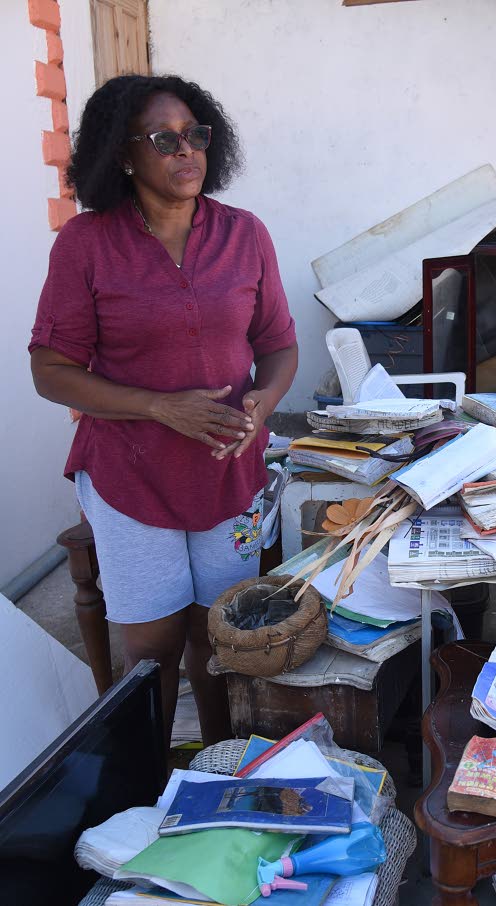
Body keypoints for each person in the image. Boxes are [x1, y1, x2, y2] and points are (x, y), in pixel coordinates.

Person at [29, 75, 298, 746]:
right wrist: (158, 407)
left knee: (221, 645)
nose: (186, 152)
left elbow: (279, 345)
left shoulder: (244, 234)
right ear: (124, 156)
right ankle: (147, 791)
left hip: (227, 471)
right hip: (131, 476)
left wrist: (262, 402)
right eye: (164, 139)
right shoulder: (87, 245)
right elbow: (49, 370)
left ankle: (216, 767)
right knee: (153, 656)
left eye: (195, 136)